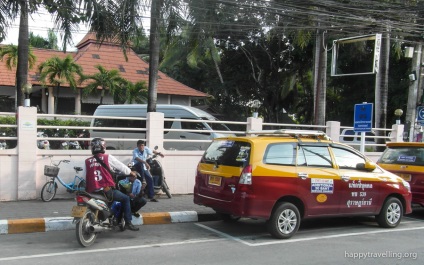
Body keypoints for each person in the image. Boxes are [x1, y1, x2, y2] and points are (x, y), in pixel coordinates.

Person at [84, 137, 139, 231]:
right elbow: (122, 167)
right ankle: (128, 222)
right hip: (105, 190)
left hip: (91, 191)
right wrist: (132, 173)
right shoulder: (107, 157)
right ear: (103, 146)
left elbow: (84, 176)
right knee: (126, 199)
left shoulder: (87, 161)